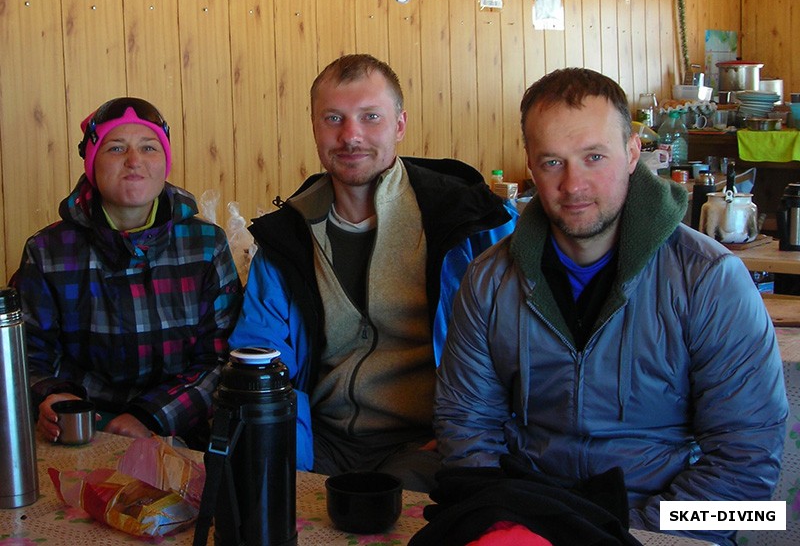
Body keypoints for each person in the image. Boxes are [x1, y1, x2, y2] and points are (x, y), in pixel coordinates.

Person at [434, 68, 788, 545]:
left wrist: (630, 533)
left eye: (594, 157)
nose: (574, 185)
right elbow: (465, 428)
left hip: (671, 525)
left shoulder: (712, 279)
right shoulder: (488, 280)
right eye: (552, 162)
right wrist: (507, 519)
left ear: (632, 153)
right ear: (531, 166)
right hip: (528, 516)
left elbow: (749, 473)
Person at [229, 54, 517, 491]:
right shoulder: (286, 239)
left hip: (431, 447)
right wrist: (284, 452)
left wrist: (463, 437)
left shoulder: (470, 224)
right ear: (313, 127)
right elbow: (261, 355)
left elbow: (517, 346)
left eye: (370, 117)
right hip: (318, 443)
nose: (351, 136)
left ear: (399, 125)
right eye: (333, 118)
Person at [12, 97, 242, 450]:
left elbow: (221, 358)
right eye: (116, 148)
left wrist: (149, 416)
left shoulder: (206, 244)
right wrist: (51, 396)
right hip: (81, 428)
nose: (134, 161)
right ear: (92, 164)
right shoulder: (47, 251)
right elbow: (26, 353)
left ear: (164, 162)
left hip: (177, 428)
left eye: (148, 147)